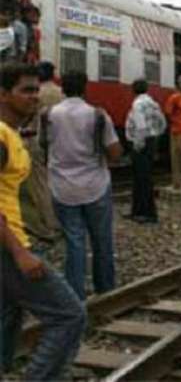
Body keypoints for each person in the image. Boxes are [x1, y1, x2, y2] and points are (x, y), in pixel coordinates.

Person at [0, 62, 86, 381]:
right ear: (3, 94)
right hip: (8, 247)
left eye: (37, 90)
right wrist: (20, 252)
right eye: (26, 90)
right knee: (69, 316)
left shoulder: (12, 135)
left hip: (11, 240)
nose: (34, 97)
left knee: (7, 315)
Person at [47, 71, 122, 300]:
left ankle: (75, 295)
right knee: (102, 241)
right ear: (85, 88)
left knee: (74, 242)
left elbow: (44, 147)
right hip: (95, 186)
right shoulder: (98, 116)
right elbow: (115, 153)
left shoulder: (49, 115)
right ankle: (106, 290)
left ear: (63, 88)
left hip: (62, 188)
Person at [19, 60, 62, 245]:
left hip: (36, 139)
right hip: (57, 141)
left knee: (38, 183)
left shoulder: (39, 93)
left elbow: (29, 115)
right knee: (52, 180)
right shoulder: (60, 92)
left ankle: (48, 225)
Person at [125, 79, 167, 223]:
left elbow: (141, 127)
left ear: (134, 90)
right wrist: (156, 134)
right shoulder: (153, 103)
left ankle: (146, 213)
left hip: (140, 144)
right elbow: (162, 122)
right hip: (150, 142)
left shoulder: (137, 104)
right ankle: (139, 211)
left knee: (141, 178)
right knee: (145, 177)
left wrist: (138, 145)